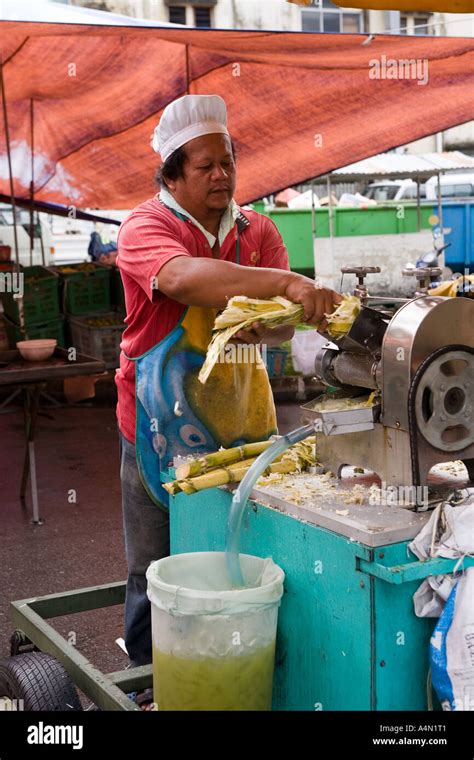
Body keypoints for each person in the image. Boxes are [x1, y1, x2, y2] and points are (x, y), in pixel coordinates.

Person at [115, 94, 341, 679]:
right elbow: (183, 278)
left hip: (244, 422)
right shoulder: (147, 226)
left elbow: (276, 328)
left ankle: (238, 653)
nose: (222, 175)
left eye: (228, 162)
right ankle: (148, 676)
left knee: (241, 548)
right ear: (172, 174)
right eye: (205, 166)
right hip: (160, 426)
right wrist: (287, 283)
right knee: (154, 563)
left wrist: (283, 315)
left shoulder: (256, 230)